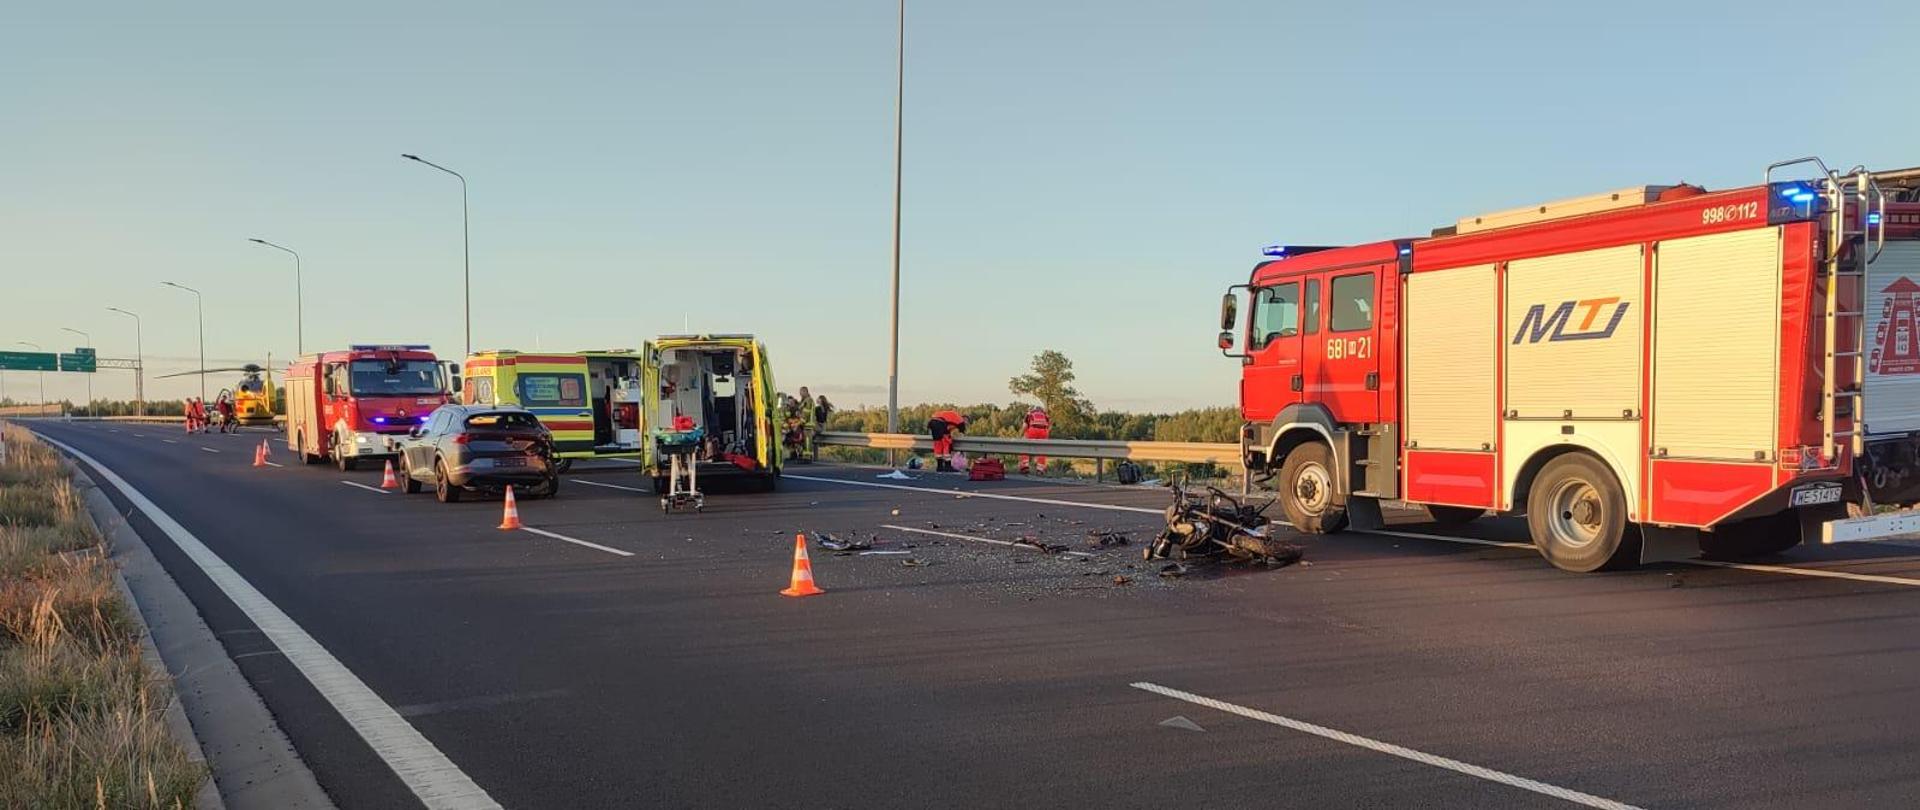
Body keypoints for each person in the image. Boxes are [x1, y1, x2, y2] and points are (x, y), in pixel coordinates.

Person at [1019, 406, 1052, 474]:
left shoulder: (1030, 413)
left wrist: (1020, 435)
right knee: (1042, 451)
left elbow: (1025, 426)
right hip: (1044, 431)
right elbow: (1049, 426)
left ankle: (1024, 467)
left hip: (1032, 430)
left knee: (1024, 446)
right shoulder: (1045, 415)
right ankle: (1040, 469)